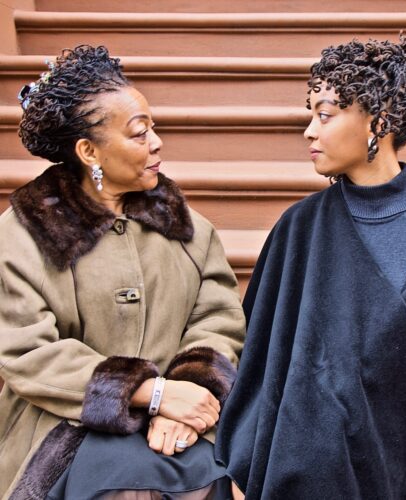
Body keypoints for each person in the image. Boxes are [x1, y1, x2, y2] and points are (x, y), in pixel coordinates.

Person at [216, 31, 406, 499]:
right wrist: (244, 460)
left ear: (380, 121)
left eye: (325, 115)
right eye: (311, 113)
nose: (309, 130)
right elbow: (262, 362)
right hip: (305, 481)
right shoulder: (299, 230)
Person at [0, 45, 246, 499]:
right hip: (64, 421)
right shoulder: (24, 235)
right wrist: (148, 392)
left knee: (215, 481)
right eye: (138, 133)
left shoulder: (189, 230)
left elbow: (219, 320)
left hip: (179, 421)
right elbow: (26, 352)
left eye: (152, 127)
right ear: (89, 151)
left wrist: (183, 395)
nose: (155, 142)